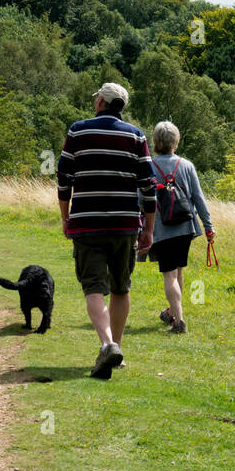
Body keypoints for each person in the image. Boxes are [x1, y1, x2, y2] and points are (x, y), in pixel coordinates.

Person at [56, 82, 157, 379]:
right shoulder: (136, 135)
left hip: (87, 223)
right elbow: (149, 188)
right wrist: (148, 229)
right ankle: (118, 349)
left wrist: (66, 217)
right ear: (120, 107)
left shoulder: (77, 131)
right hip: (125, 225)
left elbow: (64, 179)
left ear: (101, 102)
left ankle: (107, 344)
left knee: (93, 287)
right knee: (120, 288)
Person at [148, 120, 214, 334]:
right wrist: (208, 227)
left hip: (162, 228)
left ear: (156, 142)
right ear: (175, 142)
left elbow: (142, 199)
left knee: (169, 275)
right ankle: (172, 313)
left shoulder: (149, 166)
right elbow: (199, 198)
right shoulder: (187, 165)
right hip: (186, 228)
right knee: (177, 273)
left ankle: (179, 323)